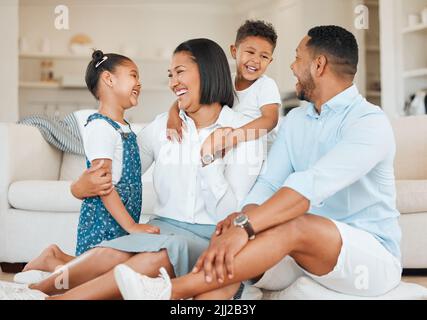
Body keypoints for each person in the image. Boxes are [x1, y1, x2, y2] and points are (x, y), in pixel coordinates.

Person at [113, 25, 403, 300]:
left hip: (365, 255)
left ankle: (168, 290)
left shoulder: (369, 123)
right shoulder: (297, 120)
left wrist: (245, 226)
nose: (291, 66)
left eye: (297, 58)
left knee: (292, 224)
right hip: (299, 252)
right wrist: (237, 223)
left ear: (319, 65)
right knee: (226, 252)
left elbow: (307, 188)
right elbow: (268, 183)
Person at [3, 38, 264, 300]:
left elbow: (232, 213)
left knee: (158, 255)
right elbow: (121, 171)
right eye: (170, 75)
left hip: (213, 237)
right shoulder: (163, 126)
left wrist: (208, 161)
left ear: (207, 71)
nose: (173, 82)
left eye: (180, 72)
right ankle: (33, 291)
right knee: (113, 253)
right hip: (162, 229)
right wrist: (78, 188)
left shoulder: (245, 131)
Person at [75, 49, 160, 256]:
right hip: (102, 222)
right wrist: (132, 226)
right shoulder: (100, 127)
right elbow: (103, 184)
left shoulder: (123, 127)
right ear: (109, 79)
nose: (139, 83)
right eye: (133, 75)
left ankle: (56, 258)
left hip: (120, 218)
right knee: (98, 272)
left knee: (111, 269)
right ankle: (51, 261)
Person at [167, 20, 282, 157]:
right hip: (233, 149)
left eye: (264, 56)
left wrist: (232, 137)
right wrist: (172, 116)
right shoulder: (227, 80)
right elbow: (189, 96)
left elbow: (270, 120)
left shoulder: (266, 85)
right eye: (250, 52)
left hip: (262, 155)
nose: (256, 60)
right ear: (234, 51)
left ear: (270, 61)